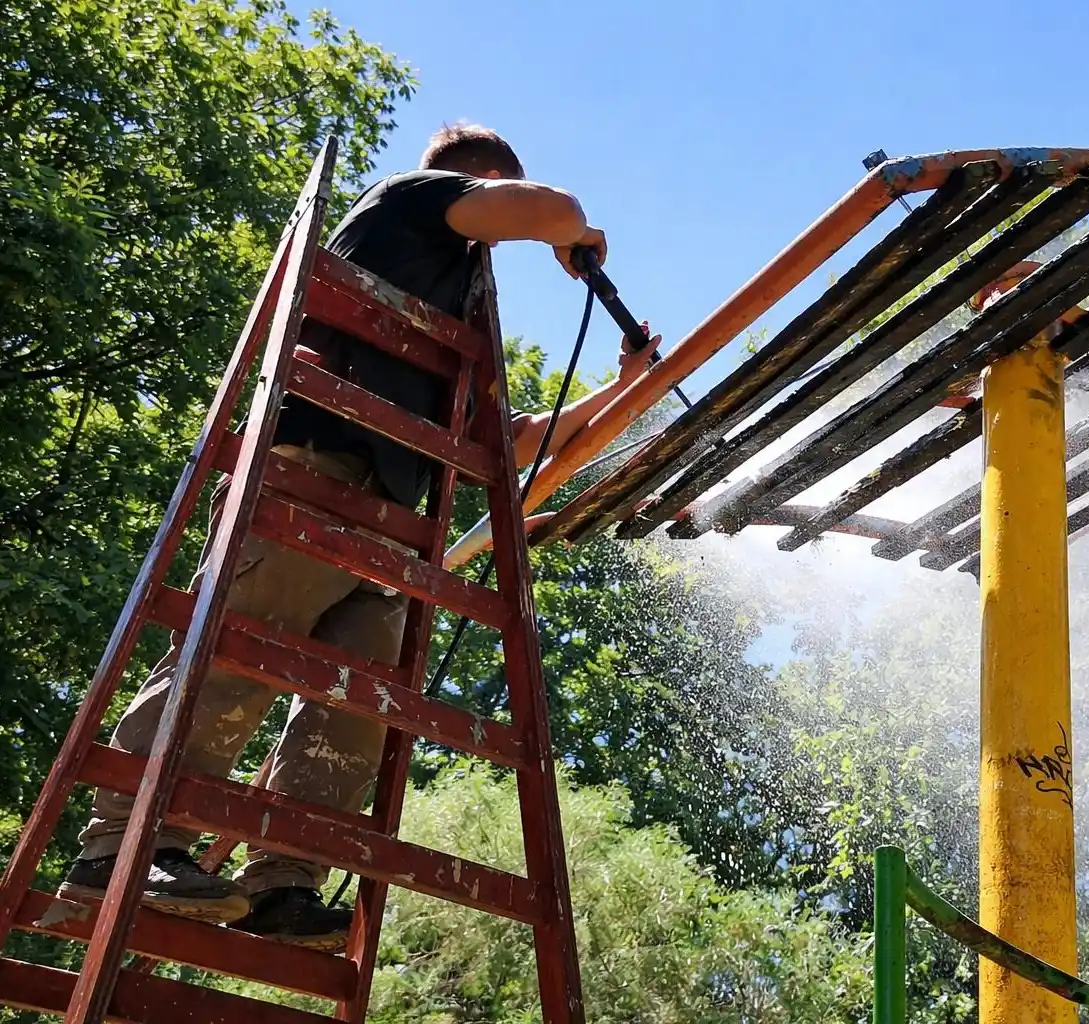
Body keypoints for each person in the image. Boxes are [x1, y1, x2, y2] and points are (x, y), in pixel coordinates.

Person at [58, 124, 662, 952]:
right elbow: (554, 209)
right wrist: (575, 236)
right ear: (478, 182)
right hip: (318, 474)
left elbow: (511, 440)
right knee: (239, 650)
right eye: (490, 208)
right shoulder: (409, 201)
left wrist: (615, 393)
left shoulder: (443, 315)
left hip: (391, 522)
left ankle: (282, 883)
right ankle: (128, 844)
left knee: (356, 706)